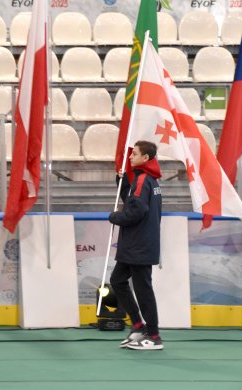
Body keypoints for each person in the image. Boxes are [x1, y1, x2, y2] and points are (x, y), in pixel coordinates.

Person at [108, 140, 164, 350]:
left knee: (143, 290)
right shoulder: (146, 180)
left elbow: (135, 212)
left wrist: (115, 217)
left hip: (139, 245)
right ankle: (139, 325)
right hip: (135, 245)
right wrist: (121, 183)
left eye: (134, 154)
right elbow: (133, 201)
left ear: (145, 158)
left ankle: (154, 336)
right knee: (118, 280)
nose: (130, 157)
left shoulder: (143, 180)